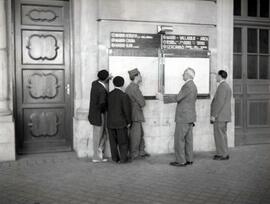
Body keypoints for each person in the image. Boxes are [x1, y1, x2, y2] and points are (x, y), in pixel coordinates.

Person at [164, 68, 197, 167]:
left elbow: (178, 97)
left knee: (179, 139)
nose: (182, 75)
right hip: (190, 117)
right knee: (188, 140)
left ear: (187, 75)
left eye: (183, 73)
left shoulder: (187, 86)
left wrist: (163, 98)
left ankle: (181, 161)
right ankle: (189, 159)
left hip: (183, 117)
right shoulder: (193, 86)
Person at [125, 68, 150, 160]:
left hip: (134, 114)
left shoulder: (130, 87)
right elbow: (142, 103)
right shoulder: (134, 88)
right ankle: (134, 153)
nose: (141, 76)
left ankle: (141, 151)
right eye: (139, 75)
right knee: (136, 135)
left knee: (140, 134)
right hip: (135, 115)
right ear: (136, 76)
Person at [88, 69, 111, 163]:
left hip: (94, 113)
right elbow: (102, 104)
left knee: (102, 134)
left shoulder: (95, 83)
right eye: (108, 76)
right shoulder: (101, 90)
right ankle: (96, 157)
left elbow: (100, 81)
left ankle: (99, 154)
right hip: (99, 114)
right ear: (105, 79)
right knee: (99, 135)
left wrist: (107, 78)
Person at [107, 76, 132, 164]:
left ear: (113, 84)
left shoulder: (109, 94)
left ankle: (115, 158)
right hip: (121, 123)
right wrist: (129, 122)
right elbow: (127, 111)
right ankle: (123, 159)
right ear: (122, 84)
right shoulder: (124, 95)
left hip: (110, 122)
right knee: (123, 142)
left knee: (113, 143)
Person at [210, 70, 232, 160]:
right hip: (224, 116)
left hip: (220, 116)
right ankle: (222, 153)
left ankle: (223, 155)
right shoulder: (226, 86)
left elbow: (219, 102)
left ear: (220, 76)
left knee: (219, 135)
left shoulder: (222, 87)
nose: (215, 77)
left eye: (216, 76)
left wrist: (214, 115)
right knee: (222, 135)